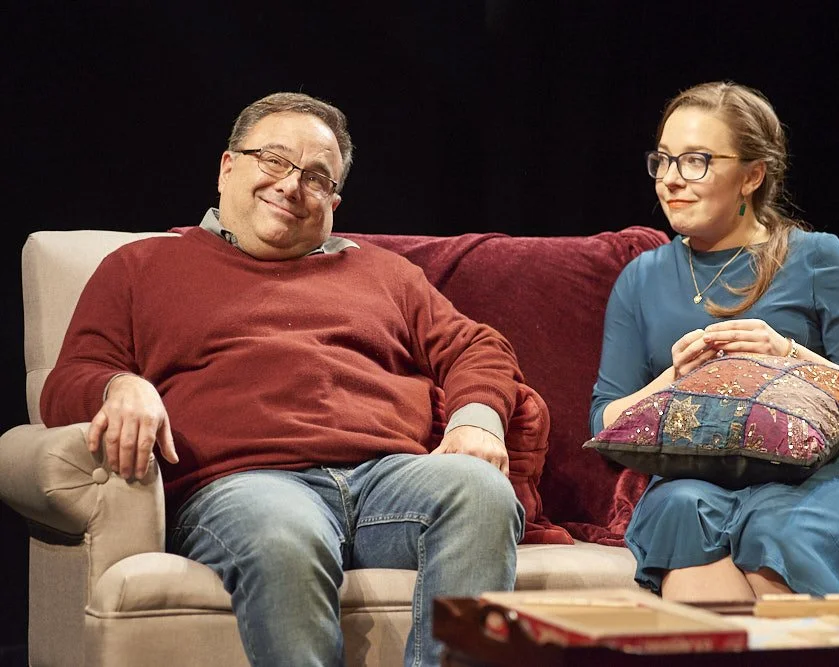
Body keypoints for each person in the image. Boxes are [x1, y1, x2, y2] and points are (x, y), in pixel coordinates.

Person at [40, 92, 526, 666]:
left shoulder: (385, 274)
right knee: (283, 531)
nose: (292, 186)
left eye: (316, 177)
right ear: (227, 167)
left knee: (481, 492)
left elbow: (478, 347)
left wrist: (477, 422)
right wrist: (120, 386)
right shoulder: (140, 267)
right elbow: (68, 381)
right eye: (273, 160)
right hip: (247, 486)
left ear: (333, 202)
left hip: (387, 480)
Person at [590, 81, 839, 602]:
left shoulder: (819, 259)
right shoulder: (641, 279)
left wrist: (788, 354)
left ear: (751, 176)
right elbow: (604, 422)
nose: (671, 179)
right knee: (681, 510)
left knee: (775, 529)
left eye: (696, 161)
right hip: (697, 474)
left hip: (814, 475)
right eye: (663, 160)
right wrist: (674, 377)